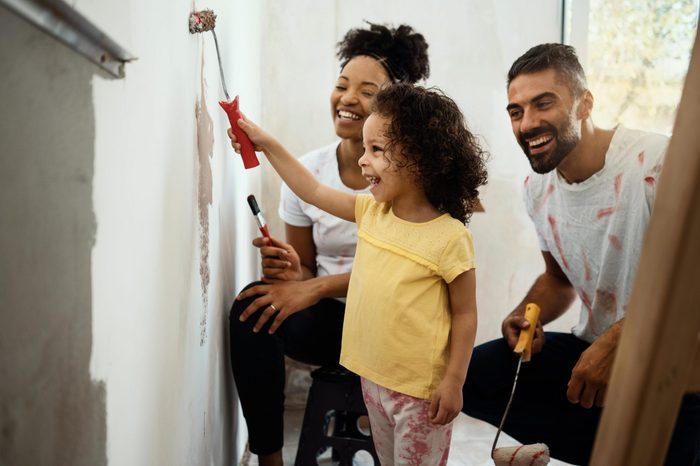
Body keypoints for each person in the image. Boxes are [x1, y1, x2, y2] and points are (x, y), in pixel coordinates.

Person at [462, 43, 700, 465]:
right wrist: (525, 312)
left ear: (585, 103)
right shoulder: (537, 189)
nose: (527, 123)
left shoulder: (658, 164)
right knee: (476, 376)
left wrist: (625, 338)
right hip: (596, 348)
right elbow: (558, 279)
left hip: (682, 363)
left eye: (543, 104)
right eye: (516, 112)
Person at [230, 82, 488, 465]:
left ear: (420, 158)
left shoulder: (450, 237)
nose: (363, 160)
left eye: (376, 150)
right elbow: (312, 189)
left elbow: (465, 313)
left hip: (420, 394)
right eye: (365, 149)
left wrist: (454, 381)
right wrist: (267, 143)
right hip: (374, 382)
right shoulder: (371, 212)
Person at [228, 23, 430, 466]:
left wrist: (314, 287)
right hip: (333, 326)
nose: (348, 99)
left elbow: (407, 273)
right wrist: (290, 271)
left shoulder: (413, 178)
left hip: (392, 327)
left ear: (395, 106)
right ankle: (269, 458)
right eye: (341, 86)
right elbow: (304, 271)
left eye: (367, 91)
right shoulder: (309, 172)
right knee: (251, 309)